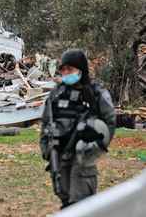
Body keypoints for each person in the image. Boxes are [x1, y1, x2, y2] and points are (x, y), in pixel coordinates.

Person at [40, 49, 116, 208]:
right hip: (60, 153)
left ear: (81, 70)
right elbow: (46, 123)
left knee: (81, 202)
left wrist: (98, 145)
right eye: (63, 69)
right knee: (64, 196)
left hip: (83, 153)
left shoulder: (95, 92)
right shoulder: (56, 94)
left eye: (71, 69)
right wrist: (46, 149)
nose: (66, 73)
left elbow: (109, 121)